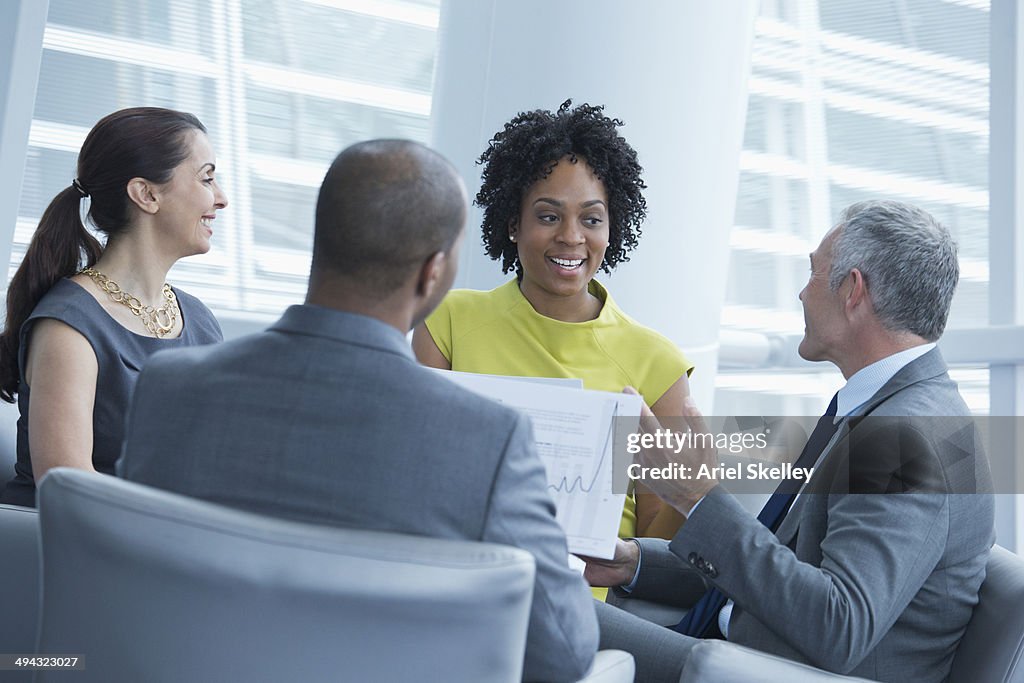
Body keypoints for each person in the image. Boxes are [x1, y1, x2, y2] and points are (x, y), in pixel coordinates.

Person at [117, 139, 598, 682]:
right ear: (432, 272)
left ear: (322, 245)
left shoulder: (170, 389)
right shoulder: (488, 440)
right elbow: (563, 652)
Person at [584, 200, 994, 683]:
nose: (801, 294)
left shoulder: (901, 436)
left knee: (538, 601)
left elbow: (837, 626)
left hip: (754, 669)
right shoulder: (887, 407)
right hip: (735, 645)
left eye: (813, 274)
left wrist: (698, 498)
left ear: (853, 290)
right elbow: (786, 567)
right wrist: (633, 564)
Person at [413, 100, 693, 553]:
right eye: (548, 216)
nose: (571, 236)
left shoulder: (657, 363)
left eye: (591, 218)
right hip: (462, 570)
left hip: (591, 600)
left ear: (611, 228)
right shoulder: (447, 320)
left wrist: (690, 490)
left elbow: (654, 548)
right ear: (512, 223)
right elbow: (420, 472)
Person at [0, 107, 226, 507]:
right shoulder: (67, 327)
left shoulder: (201, 321)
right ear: (146, 194)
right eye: (207, 178)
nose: (220, 199)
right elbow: (68, 488)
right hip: (79, 551)